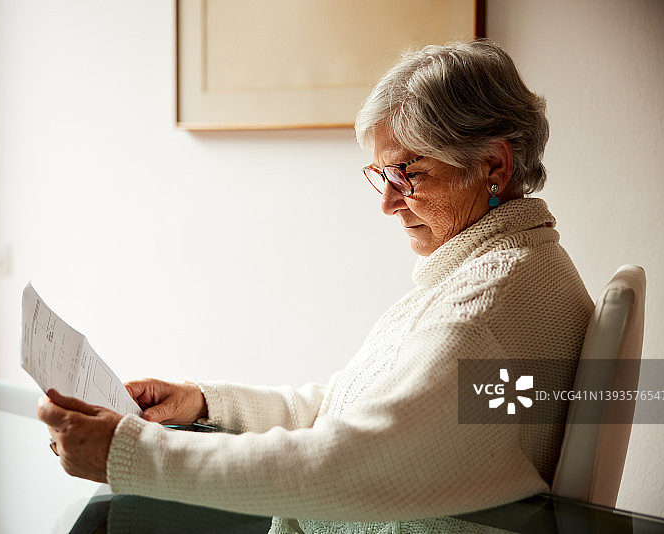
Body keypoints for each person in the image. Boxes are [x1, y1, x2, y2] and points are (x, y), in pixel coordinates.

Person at [38, 40, 594, 533]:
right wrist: (205, 401)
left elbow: (349, 461)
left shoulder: (481, 311)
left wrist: (129, 453)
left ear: (493, 165)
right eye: (382, 175)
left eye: (409, 173)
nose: (387, 201)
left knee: (108, 509)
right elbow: (351, 410)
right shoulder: (510, 268)